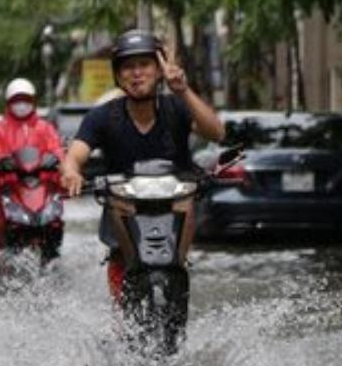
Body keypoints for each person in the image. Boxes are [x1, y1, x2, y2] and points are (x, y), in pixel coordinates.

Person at [60, 29, 224, 298]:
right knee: (122, 285)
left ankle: (178, 272)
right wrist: (71, 171)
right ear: (118, 75)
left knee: (187, 207)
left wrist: (182, 90)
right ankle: (125, 317)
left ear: (159, 71)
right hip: (123, 213)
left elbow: (216, 133)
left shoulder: (177, 107)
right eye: (128, 67)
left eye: (144, 65)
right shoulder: (102, 116)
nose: (137, 73)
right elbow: (76, 153)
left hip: (175, 214)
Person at [0, 77, 64, 250]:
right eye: (16, 101)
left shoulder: (46, 129)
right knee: (3, 223)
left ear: (33, 102)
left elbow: (57, 149)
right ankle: (0, 252)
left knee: (55, 223)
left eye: (26, 100)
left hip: (41, 189)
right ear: (9, 103)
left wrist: (55, 157)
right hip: (10, 189)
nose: (21, 105)